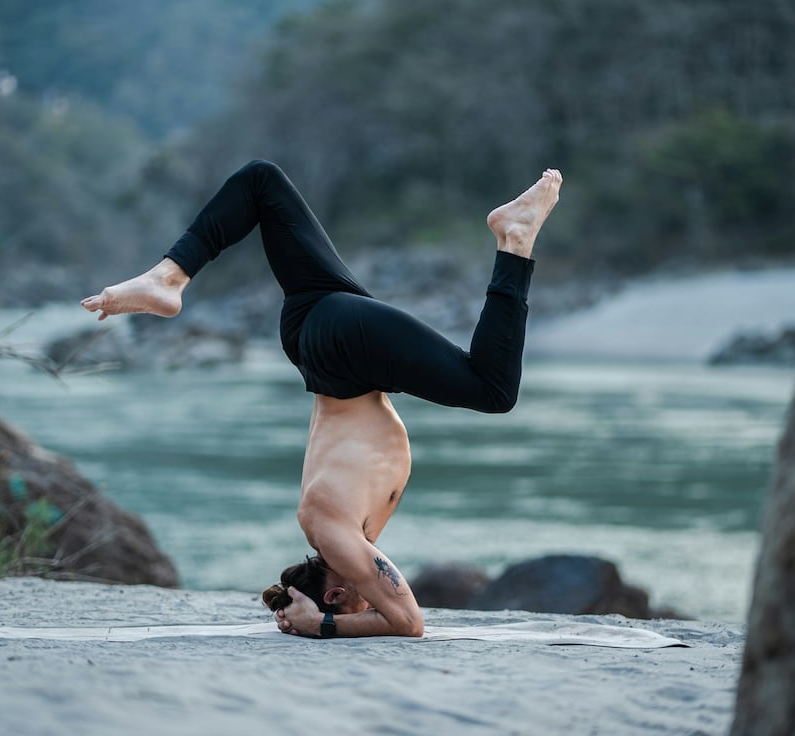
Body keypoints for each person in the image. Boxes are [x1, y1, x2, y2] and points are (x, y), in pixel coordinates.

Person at [82, 159, 561, 638]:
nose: (371, 601)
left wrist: (321, 625)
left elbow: (407, 621)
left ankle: (515, 238)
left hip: (340, 351)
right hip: (317, 332)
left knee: (492, 389)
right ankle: (170, 276)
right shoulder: (338, 532)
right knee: (262, 182)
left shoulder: (333, 537)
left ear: (335, 595)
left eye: (361, 601)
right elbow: (395, 612)